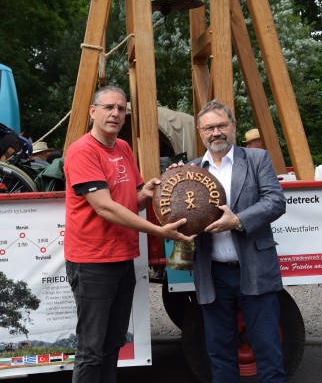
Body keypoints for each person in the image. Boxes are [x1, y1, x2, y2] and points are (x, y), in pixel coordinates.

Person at [64, 85, 193, 383]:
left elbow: (131, 201)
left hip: (122, 258)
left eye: (121, 109)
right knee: (91, 349)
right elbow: (105, 208)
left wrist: (148, 191)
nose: (115, 113)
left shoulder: (122, 147)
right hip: (92, 263)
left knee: (113, 345)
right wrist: (157, 230)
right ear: (93, 112)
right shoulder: (83, 150)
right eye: (109, 107)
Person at [190, 100, 287, 382]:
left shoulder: (257, 159)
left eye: (221, 125)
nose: (216, 132)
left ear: (233, 126)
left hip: (255, 269)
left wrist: (238, 221)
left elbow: (275, 202)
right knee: (219, 355)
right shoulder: (192, 170)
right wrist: (169, 180)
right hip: (213, 274)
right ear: (200, 132)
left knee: (268, 352)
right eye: (209, 128)